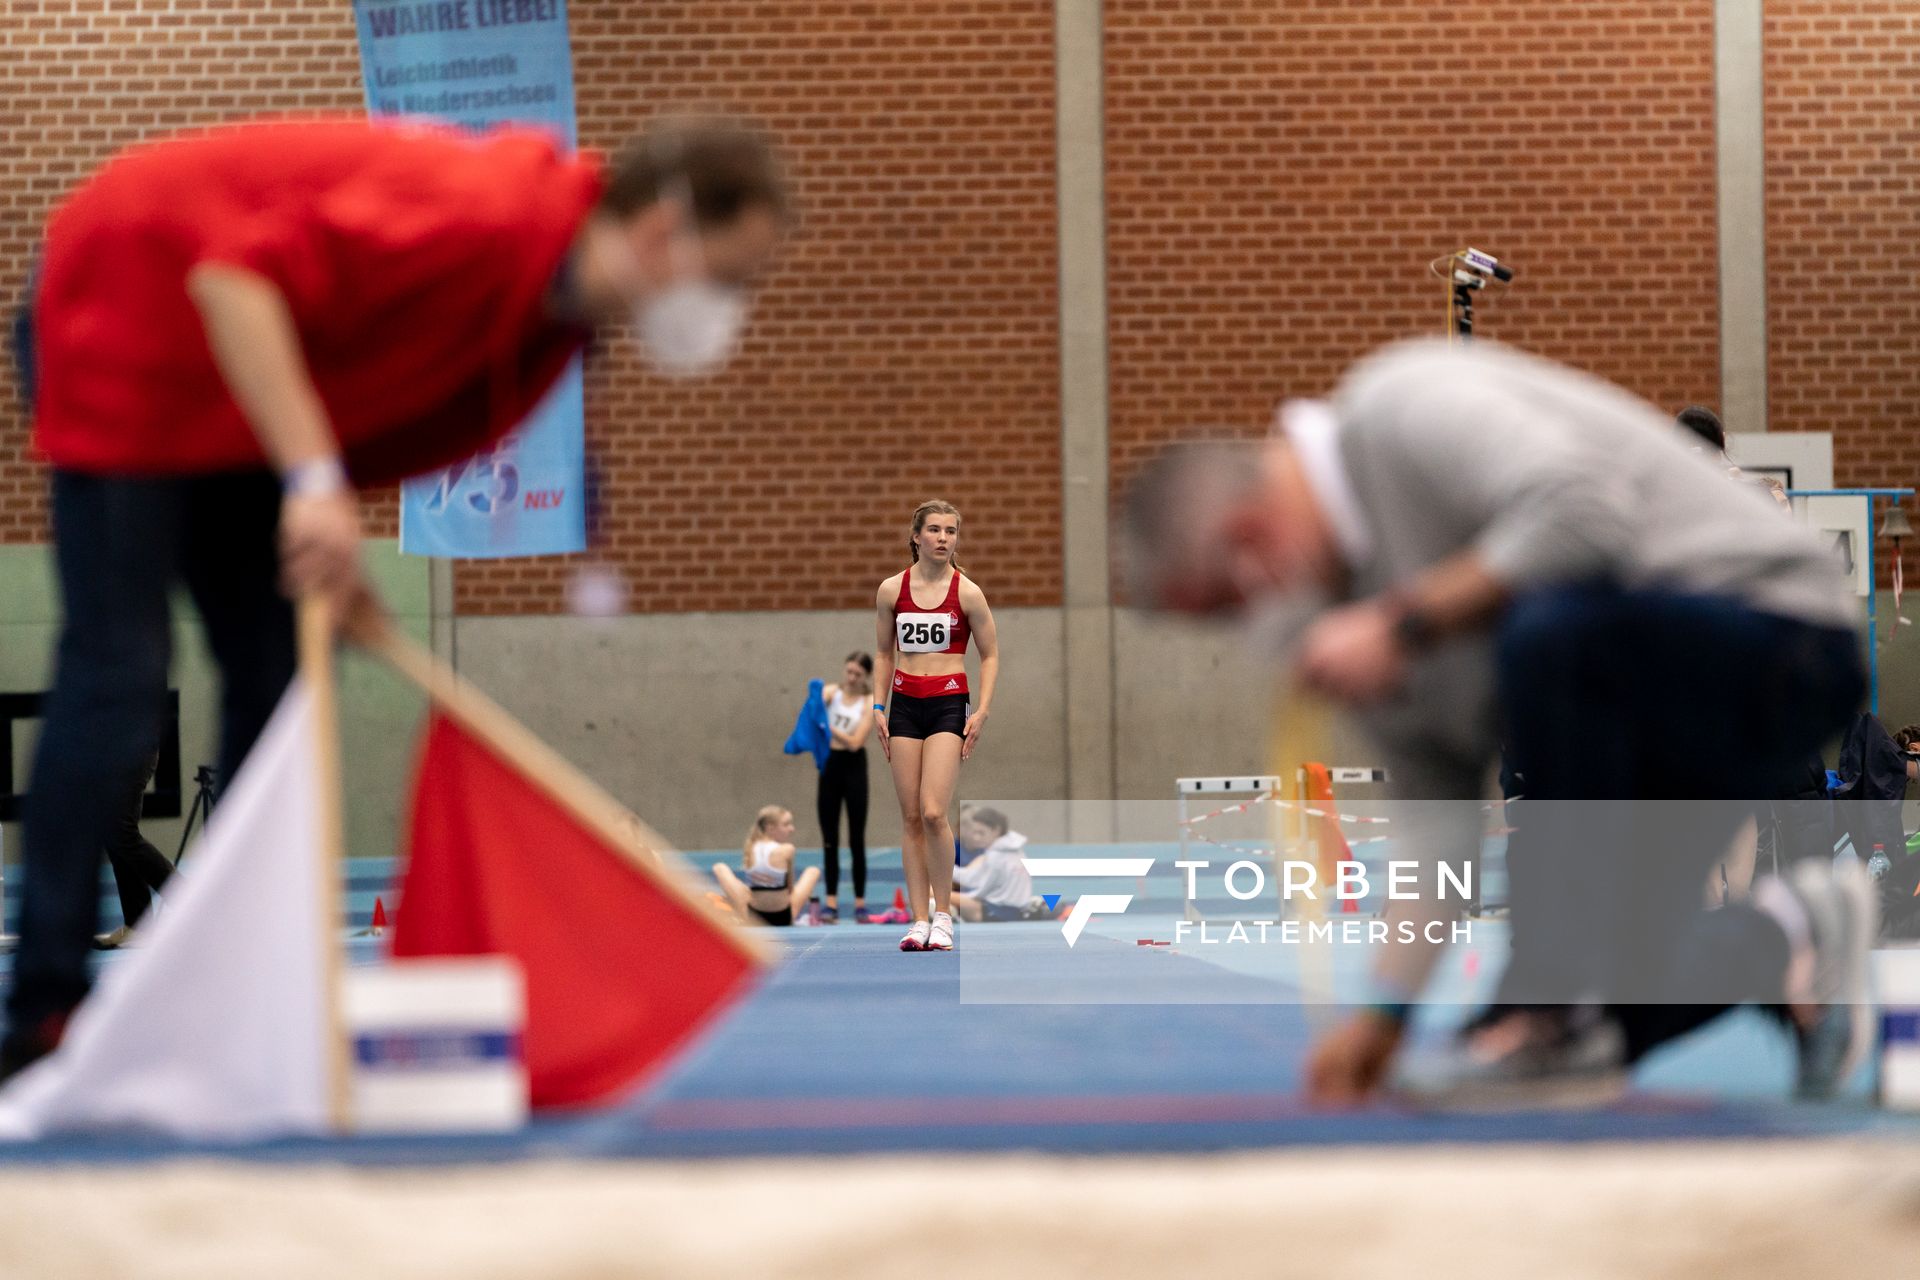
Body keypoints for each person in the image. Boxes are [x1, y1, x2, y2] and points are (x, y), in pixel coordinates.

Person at [6, 113, 790, 1077]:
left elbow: (354, 400)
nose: (732, 309)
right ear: (667, 232)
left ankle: (231, 986)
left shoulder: (548, 327)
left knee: (284, 676)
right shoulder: (489, 218)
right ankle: (44, 1008)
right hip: (128, 301)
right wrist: (311, 481)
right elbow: (228, 278)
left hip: (238, 392)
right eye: (733, 277)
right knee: (119, 670)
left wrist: (335, 543)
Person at [1122, 338, 1873, 1108]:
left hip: (1782, 639)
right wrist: (1386, 1018)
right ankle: (1787, 932)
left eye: (1229, 607)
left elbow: (1585, 517)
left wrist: (1405, 622)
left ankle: (1541, 1011)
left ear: (1253, 544)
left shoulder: (1401, 404)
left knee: (1550, 630)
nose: (1253, 636)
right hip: (1652, 714)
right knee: (1606, 1012)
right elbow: (1437, 829)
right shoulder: (1359, 626)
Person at [873, 500, 1000, 952]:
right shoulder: (892, 590)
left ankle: (944, 915)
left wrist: (981, 709)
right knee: (909, 817)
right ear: (916, 537)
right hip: (904, 705)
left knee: (932, 811)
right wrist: (876, 707)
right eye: (935, 530)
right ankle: (919, 919)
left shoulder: (967, 592)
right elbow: (885, 654)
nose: (943, 538)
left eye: (951, 531)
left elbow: (989, 654)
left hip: (948, 702)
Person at [818, 652, 875, 923]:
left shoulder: (868, 702)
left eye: (858, 675)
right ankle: (830, 902)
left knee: (856, 838)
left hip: (854, 767)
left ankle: (860, 902)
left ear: (866, 677)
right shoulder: (831, 693)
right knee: (830, 838)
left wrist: (827, 727)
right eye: (849, 672)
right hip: (830, 766)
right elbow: (809, 714)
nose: (852, 678)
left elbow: (855, 741)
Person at [711, 806, 820, 928]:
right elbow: (789, 889)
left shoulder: (750, 847)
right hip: (783, 917)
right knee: (813, 871)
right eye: (786, 824)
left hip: (754, 917)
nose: (792, 829)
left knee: (719, 867)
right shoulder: (787, 849)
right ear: (770, 828)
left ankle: (738, 914)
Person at [950, 807, 1044, 923]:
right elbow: (975, 878)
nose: (976, 837)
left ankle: (945, 911)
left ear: (996, 831)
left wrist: (944, 871)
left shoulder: (996, 856)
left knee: (942, 896)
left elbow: (980, 890)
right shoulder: (1015, 850)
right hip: (1013, 909)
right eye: (975, 833)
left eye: (981, 833)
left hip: (999, 912)